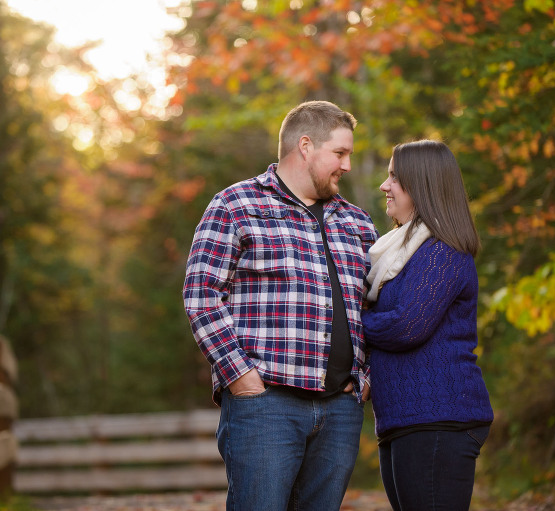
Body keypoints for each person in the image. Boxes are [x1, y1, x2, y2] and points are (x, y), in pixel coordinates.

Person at [182, 100, 378, 511]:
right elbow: (201, 294)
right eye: (340, 153)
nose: (346, 165)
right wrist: (241, 377)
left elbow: (374, 308)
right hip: (266, 405)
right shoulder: (236, 205)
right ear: (305, 146)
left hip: (340, 410)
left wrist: (362, 378)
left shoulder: (357, 222)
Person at [362, 139, 494, 510]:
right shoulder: (399, 250)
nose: (384, 187)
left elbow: (407, 325)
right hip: (405, 419)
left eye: (393, 178)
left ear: (421, 185)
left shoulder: (444, 251)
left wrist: (346, 325)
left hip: (439, 417)